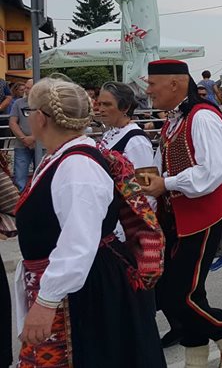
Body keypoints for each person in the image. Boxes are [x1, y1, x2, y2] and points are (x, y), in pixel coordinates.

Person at [14, 77, 165, 366]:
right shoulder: (61, 157)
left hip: (85, 288)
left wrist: (47, 301)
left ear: (41, 118)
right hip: (75, 281)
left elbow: (79, 242)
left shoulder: (77, 166)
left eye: (29, 111)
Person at [141, 59, 222, 368]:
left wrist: (167, 183)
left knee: (177, 296)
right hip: (178, 217)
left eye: (152, 84)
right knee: (186, 293)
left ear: (174, 83)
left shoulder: (202, 117)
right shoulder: (175, 120)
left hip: (202, 216)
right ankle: (196, 360)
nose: (148, 91)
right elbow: (163, 167)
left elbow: (213, 171)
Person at [9, 79, 42, 191]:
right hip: (22, 145)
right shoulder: (18, 103)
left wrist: (33, 138)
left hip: (42, 145)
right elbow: (12, 122)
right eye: (25, 88)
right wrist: (24, 139)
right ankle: (21, 198)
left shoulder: (45, 103)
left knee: (41, 176)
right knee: (20, 177)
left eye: (28, 88)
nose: (25, 90)